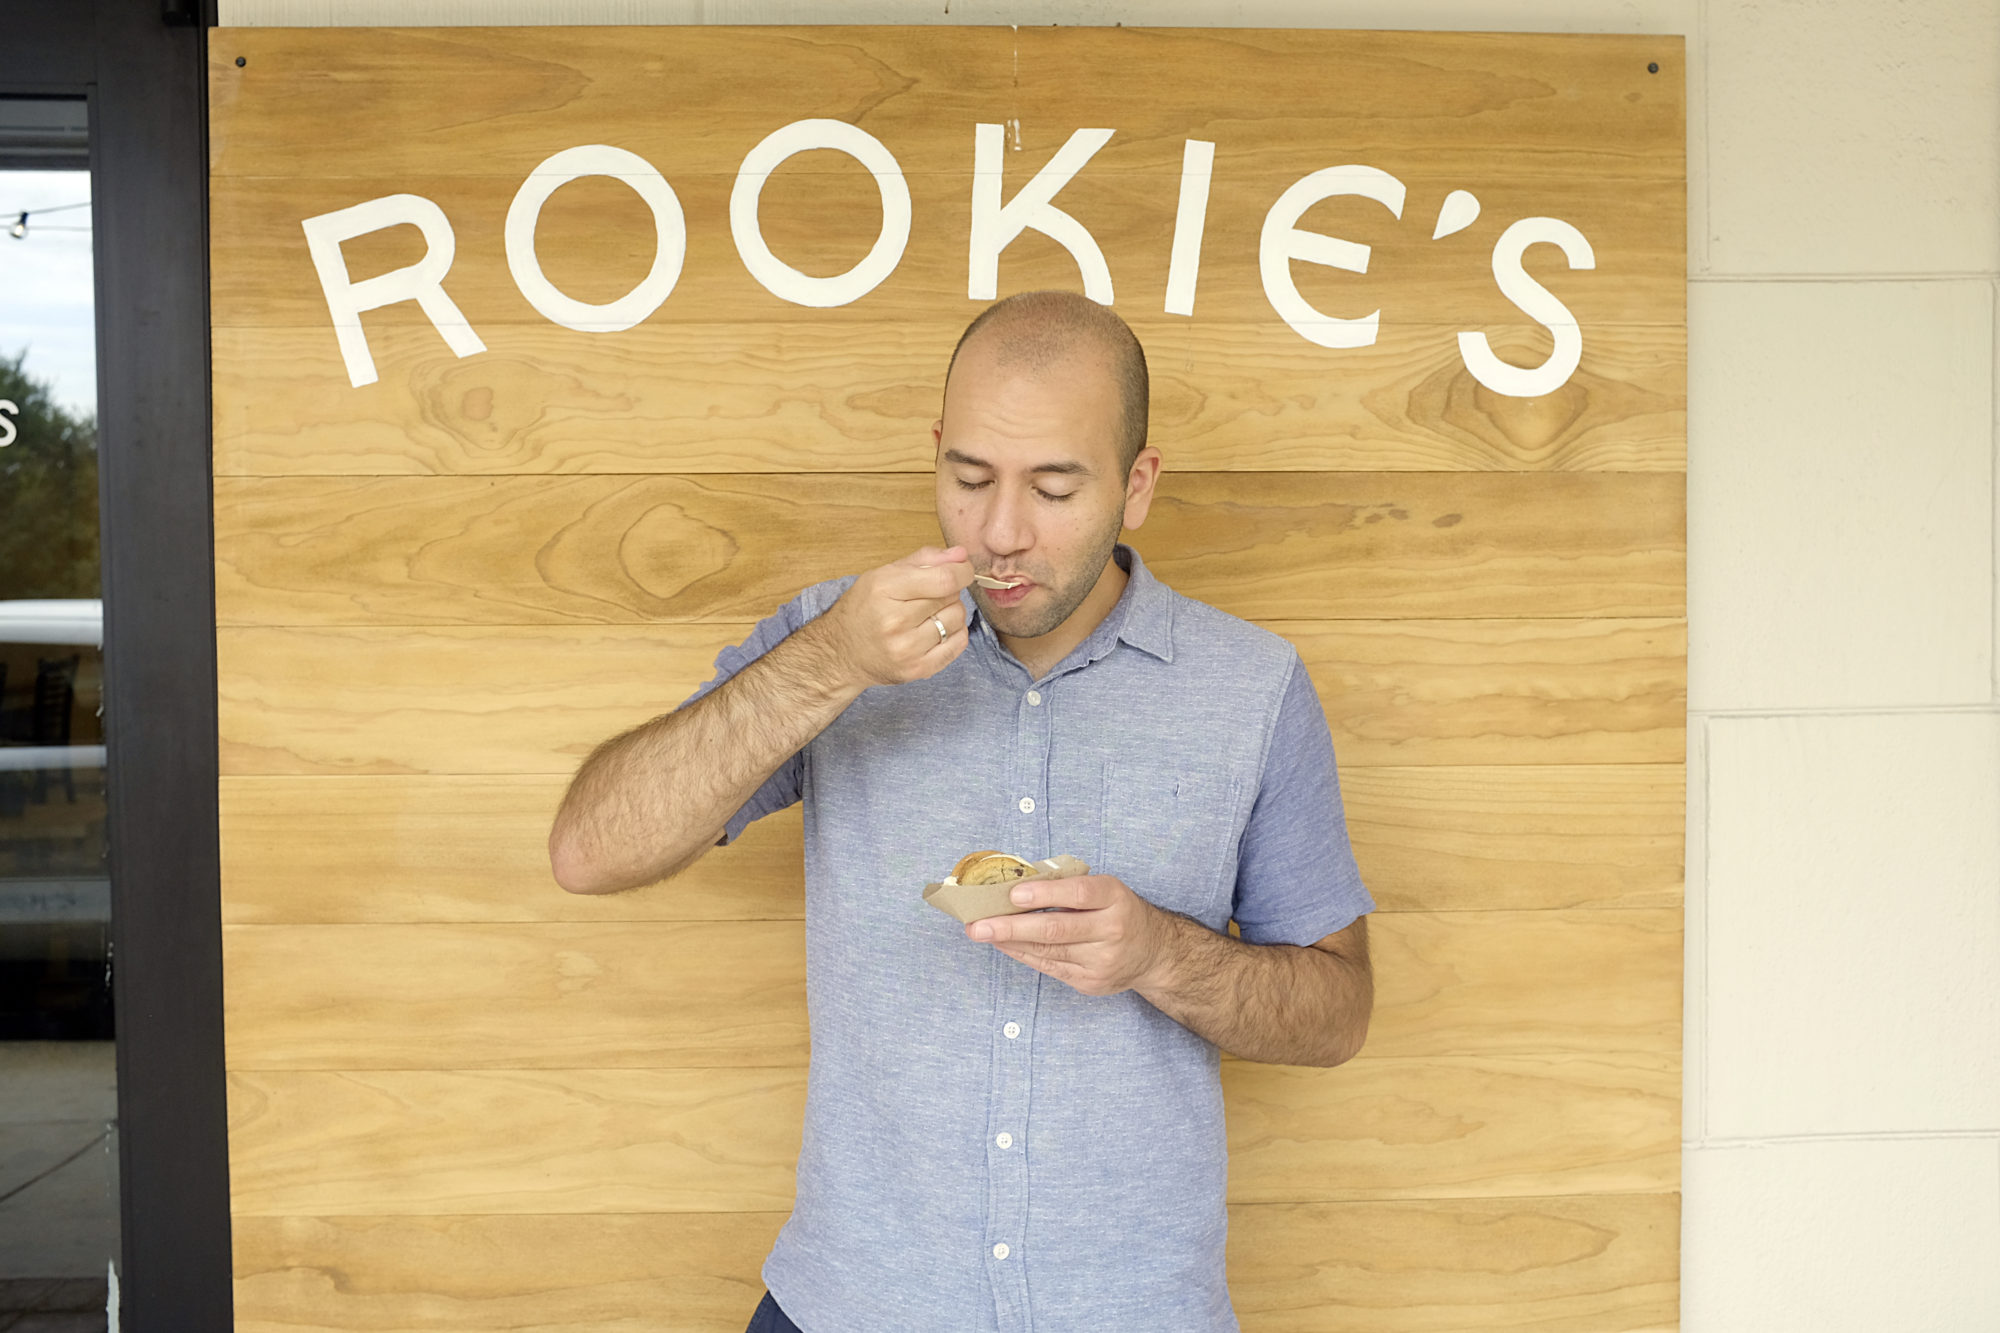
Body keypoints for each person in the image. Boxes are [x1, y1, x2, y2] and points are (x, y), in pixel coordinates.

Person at [547, 289, 1375, 1333]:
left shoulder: (1252, 687)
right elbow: (589, 849)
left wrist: (1160, 953)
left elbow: (1336, 1014)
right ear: (934, 452)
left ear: (1136, 485)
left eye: (1054, 487)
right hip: (845, 1307)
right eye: (968, 477)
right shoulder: (832, 640)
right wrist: (826, 665)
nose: (999, 533)